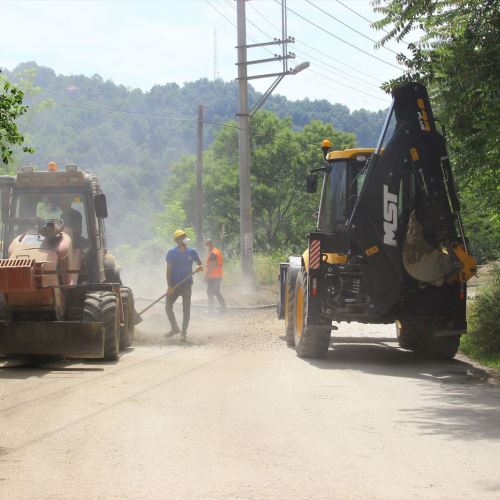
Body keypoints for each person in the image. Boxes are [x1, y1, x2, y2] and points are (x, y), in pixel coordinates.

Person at [165, 229, 203, 341]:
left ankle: (183, 333)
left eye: (185, 236)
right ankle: (174, 327)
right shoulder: (171, 253)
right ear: (177, 240)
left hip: (187, 285)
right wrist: (169, 286)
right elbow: (168, 270)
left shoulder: (192, 251)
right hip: (174, 285)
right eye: (182, 237)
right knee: (168, 306)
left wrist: (199, 268)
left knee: (186, 309)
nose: (185, 238)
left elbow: (200, 264)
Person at [204, 239, 226, 310]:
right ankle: (222, 307)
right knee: (215, 292)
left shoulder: (213, 253)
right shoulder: (216, 251)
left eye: (207, 246)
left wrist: (206, 276)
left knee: (211, 292)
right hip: (217, 276)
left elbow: (211, 266)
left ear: (210, 244)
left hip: (213, 276)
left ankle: (211, 309)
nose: (206, 247)